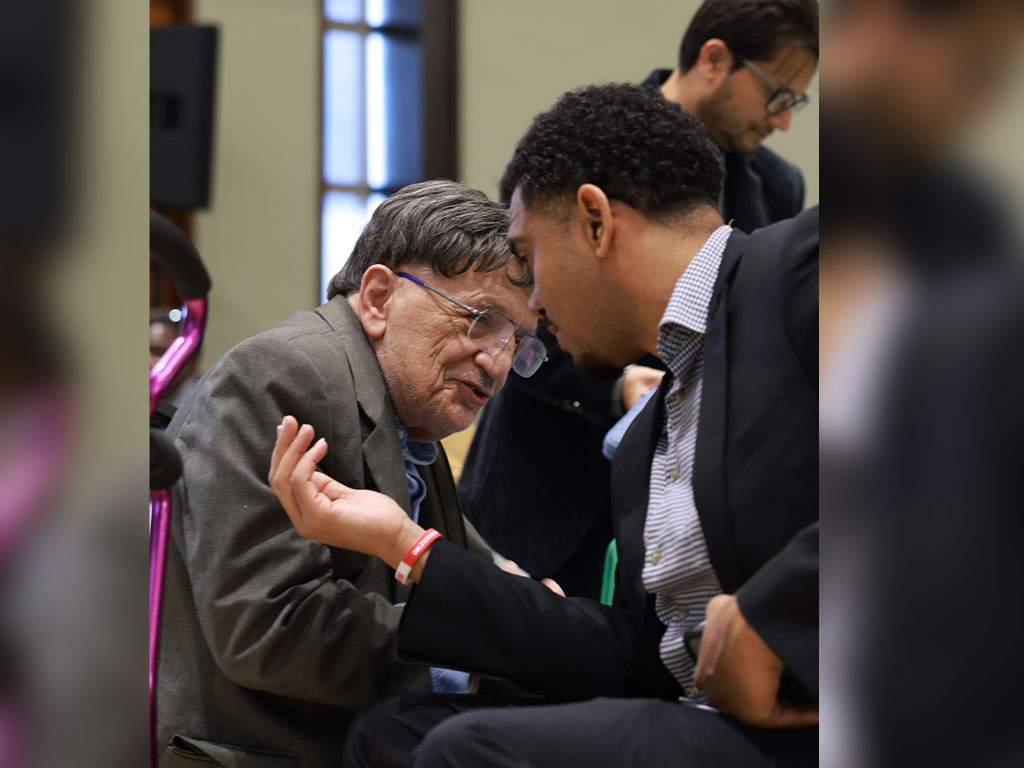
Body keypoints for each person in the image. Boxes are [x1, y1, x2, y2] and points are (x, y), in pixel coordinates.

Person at [271, 84, 818, 767]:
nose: (533, 302)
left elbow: (961, 442)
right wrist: (405, 543)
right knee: (394, 733)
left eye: (530, 260)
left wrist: (775, 612)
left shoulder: (801, 264)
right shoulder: (645, 439)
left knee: (463, 752)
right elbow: (629, 656)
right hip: (693, 717)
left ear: (595, 222)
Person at [156, 180, 546, 767]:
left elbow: (474, 582)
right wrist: (480, 640)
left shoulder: (412, 416)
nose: (497, 361)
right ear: (379, 296)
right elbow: (268, 628)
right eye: (480, 319)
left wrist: (532, 616)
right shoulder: (282, 375)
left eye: (518, 340)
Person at [458, 0, 818, 600]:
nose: (782, 120)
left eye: (794, 102)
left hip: (694, 488)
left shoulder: (778, 190)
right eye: (777, 93)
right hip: (553, 483)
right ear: (714, 59)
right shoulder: (582, 145)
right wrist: (618, 387)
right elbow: (524, 313)